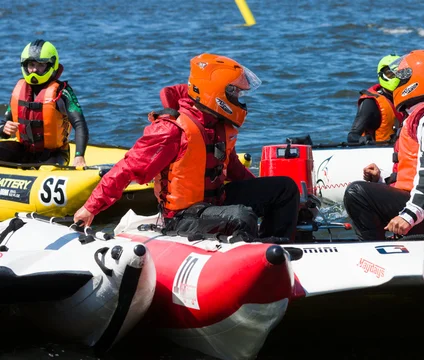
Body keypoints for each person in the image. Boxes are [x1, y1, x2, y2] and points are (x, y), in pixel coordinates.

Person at [74, 53, 299, 242]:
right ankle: (258, 257)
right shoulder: (171, 130)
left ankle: (282, 247)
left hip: (215, 202)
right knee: (242, 217)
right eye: (235, 93)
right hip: (181, 218)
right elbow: (126, 169)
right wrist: (90, 208)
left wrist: (267, 196)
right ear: (216, 92)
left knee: (285, 189)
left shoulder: (218, 125)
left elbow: (234, 171)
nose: (239, 99)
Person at [343, 50, 424, 240]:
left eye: (403, 76)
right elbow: (416, 171)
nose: (399, 81)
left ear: (421, 78)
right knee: (366, 190)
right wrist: (382, 178)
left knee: (357, 193)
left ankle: (372, 250)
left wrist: (410, 215)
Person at [0, 39, 88, 166]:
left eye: (41, 65)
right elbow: (5, 129)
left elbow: (80, 125)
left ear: (51, 66)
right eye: (31, 65)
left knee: (48, 168)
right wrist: (4, 128)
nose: (35, 70)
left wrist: (79, 156)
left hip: (54, 155)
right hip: (24, 150)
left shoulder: (62, 92)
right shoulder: (19, 89)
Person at [346, 54, 406, 144]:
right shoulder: (370, 103)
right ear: (381, 75)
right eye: (390, 74)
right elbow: (352, 136)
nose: (396, 77)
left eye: (399, 73)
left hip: (404, 151)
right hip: (379, 152)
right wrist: (363, 140)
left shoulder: (409, 98)